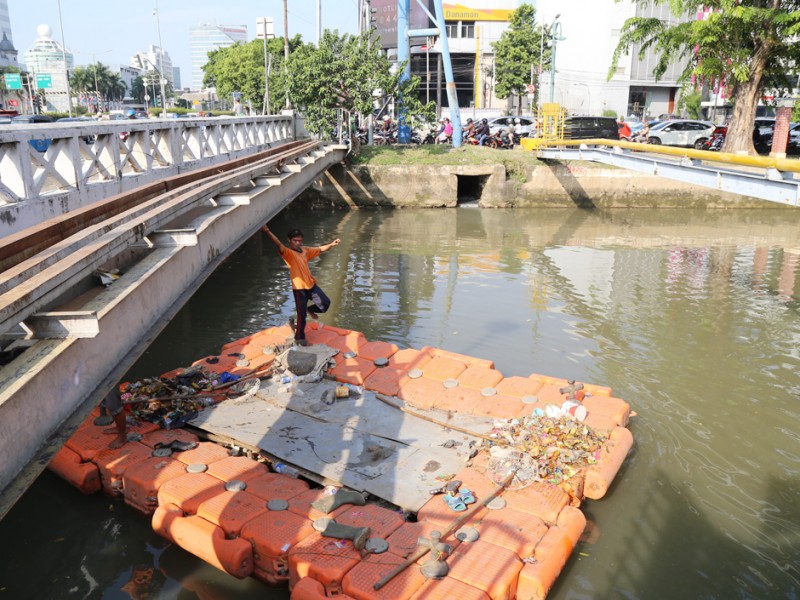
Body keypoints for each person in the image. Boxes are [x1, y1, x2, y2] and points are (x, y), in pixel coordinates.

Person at [262, 225, 341, 345]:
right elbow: (278, 244)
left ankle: (310, 309)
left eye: (300, 240)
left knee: (325, 304)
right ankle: (299, 338)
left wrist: (332, 244)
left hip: (311, 286)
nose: (298, 243)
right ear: (289, 240)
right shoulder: (288, 253)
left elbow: (320, 249)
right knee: (301, 315)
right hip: (299, 289)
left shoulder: (305, 250)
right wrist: (267, 231)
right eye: (295, 240)